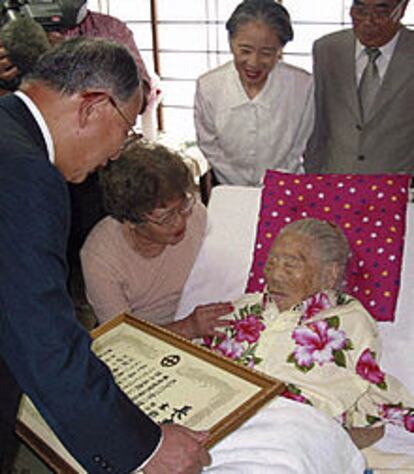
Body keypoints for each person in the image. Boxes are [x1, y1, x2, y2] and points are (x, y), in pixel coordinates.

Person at [0, 38, 210, 473]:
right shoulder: (27, 175)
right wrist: (145, 448)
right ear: (92, 106)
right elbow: (42, 336)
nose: (118, 152)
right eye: (127, 128)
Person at [203, 218, 414, 444]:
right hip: (210, 423)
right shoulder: (241, 307)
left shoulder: (347, 320)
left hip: (286, 432)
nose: (274, 275)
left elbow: (352, 391)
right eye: (272, 262)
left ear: (330, 274)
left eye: (290, 265)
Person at [81, 139, 234, 338]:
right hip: (146, 341)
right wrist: (187, 328)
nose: (180, 222)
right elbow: (121, 338)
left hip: (200, 320)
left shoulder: (195, 214)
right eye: (166, 217)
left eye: (183, 207)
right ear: (130, 221)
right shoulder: (100, 257)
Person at [194, 0, 314, 196]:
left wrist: (276, 182)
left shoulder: (302, 85)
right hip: (228, 187)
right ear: (231, 42)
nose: (254, 62)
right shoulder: (209, 86)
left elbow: (301, 143)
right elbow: (208, 143)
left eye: (266, 53)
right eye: (245, 50)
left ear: (280, 49)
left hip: (285, 188)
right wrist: (237, 182)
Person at [305, 0, 414, 175]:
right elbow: (319, 123)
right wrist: (312, 175)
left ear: (402, 9)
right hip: (334, 181)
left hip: (398, 188)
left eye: (381, 12)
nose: (368, 21)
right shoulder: (327, 49)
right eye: (360, 10)